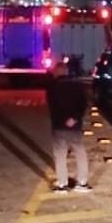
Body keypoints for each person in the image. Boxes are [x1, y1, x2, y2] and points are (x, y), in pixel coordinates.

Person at [45, 60, 90, 193]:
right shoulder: (77, 85)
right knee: (80, 153)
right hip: (74, 127)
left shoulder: (52, 86)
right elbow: (83, 104)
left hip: (59, 126)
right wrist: (74, 118)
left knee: (60, 156)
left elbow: (52, 106)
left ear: (56, 72)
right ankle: (82, 183)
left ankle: (63, 184)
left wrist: (63, 119)